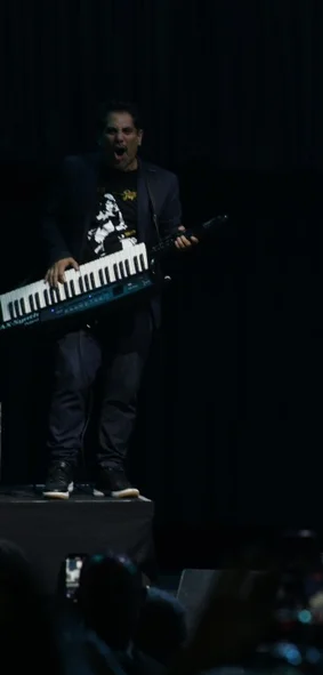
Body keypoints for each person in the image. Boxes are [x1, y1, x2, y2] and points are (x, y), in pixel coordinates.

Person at [39, 101, 198, 500]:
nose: (120, 139)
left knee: (122, 391)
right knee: (72, 379)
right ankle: (62, 465)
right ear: (101, 137)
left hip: (134, 303)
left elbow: (168, 237)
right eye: (112, 132)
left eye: (127, 132)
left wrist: (178, 242)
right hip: (81, 297)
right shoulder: (77, 171)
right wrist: (59, 254)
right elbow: (48, 218)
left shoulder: (162, 183)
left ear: (139, 138)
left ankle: (111, 467)